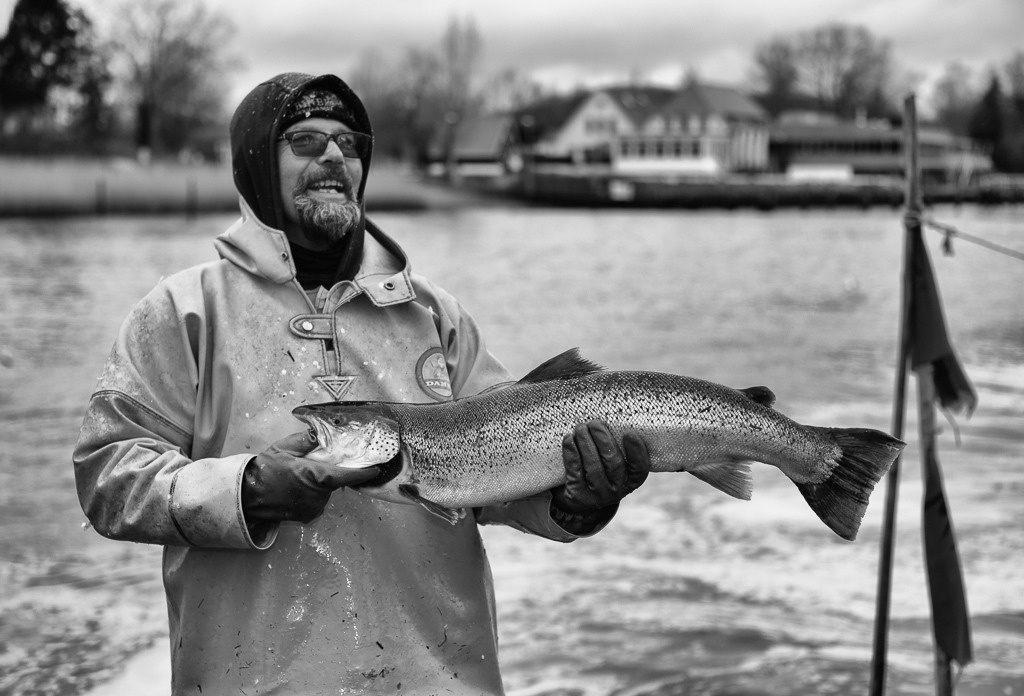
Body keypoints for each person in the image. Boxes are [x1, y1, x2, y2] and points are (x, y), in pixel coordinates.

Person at [73, 72, 651, 694]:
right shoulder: (183, 311)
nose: (332, 156)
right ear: (253, 166)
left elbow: (502, 482)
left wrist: (578, 500)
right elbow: (109, 477)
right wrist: (247, 490)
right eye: (304, 141)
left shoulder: (435, 314)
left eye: (349, 144)